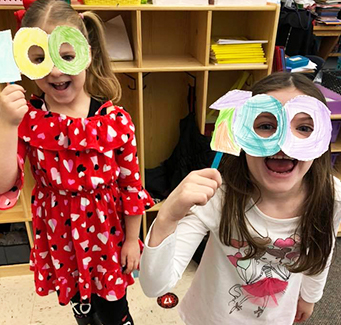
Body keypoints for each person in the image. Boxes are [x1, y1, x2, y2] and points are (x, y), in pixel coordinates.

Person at [139, 72, 341, 325]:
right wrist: (168, 217)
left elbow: (323, 249)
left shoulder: (331, 197)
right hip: (209, 318)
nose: (282, 143)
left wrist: (309, 296)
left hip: (276, 318)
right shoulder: (218, 196)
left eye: (304, 128)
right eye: (266, 125)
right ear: (243, 132)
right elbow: (155, 286)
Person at [0, 0, 154, 324]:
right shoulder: (28, 121)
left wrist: (130, 239)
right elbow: (4, 185)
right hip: (61, 238)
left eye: (66, 56)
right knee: (82, 308)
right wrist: (6, 126)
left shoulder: (115, 121)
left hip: (107, 237)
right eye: (41, 59)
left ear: (87, 54)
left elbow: (131, 186)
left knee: (114, 311)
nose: (56, 71)